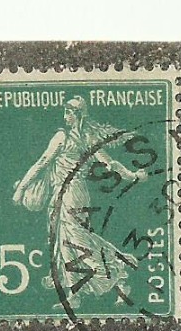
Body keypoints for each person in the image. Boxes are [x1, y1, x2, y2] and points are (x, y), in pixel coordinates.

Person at [13, 96, 146, 304]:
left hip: (68, 194)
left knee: (73, 241)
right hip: (76, 193)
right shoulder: (87, 138)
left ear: (77, 116)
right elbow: (110, 163)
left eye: (69, 113)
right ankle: (108, 277)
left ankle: (107, 278)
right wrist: (133, 175)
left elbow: (41, 163)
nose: (65, 117)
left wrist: (21, 189)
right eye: (65, 112)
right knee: (74, 239)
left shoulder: (62, 137)